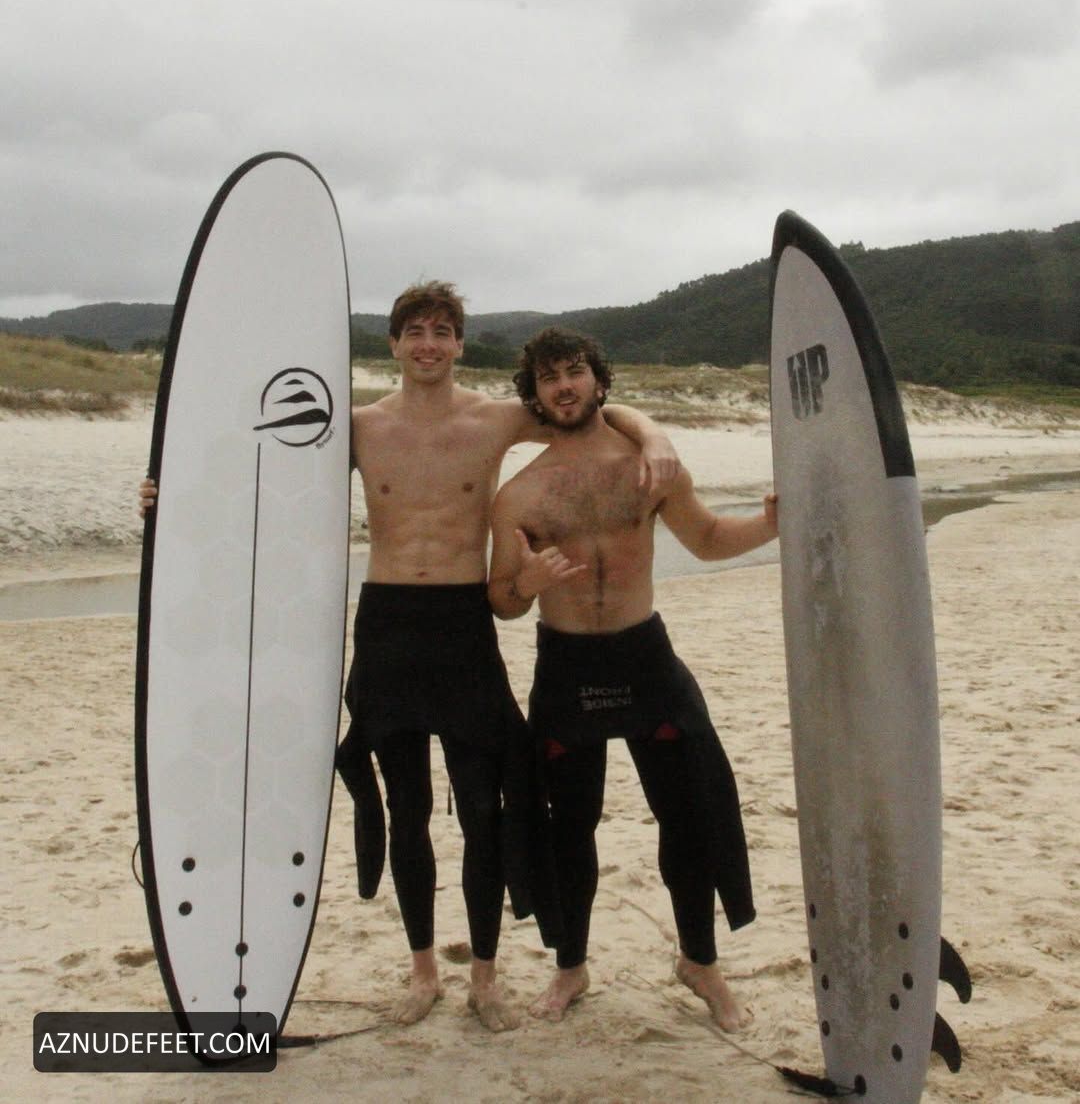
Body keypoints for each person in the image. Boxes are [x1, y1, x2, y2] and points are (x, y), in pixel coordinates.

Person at [139, 283, 678, 1032]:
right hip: (388, 623)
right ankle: (424, 968)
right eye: (415, 330)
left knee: (483, 809)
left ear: (459, 344)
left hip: (462, 625)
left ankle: (484, 976)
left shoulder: (496, 419)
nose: (429, 343)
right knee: (406, 810)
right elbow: (265, 474)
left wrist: (653, 436)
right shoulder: (357, 425)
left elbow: (586, 410)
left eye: (442, 330)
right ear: (393, 343)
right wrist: (170, 498)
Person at [486, 326, 778, 1030]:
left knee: (690, 814)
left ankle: (700, 961)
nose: (564, 386)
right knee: (568, 825)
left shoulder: (651, 466)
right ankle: (571, 966)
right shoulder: (519, 495)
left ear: (598, 380)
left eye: (574, 371)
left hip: (644, 660)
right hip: (567, 667)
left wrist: (771, 525)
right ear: (535, 395)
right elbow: (501, 600)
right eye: (550, 377)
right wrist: (525, 583)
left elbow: (707, 539)